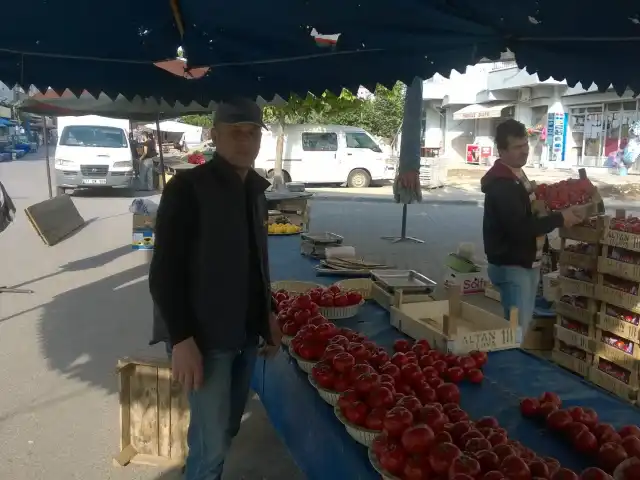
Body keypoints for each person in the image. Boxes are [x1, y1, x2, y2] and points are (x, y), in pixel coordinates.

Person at [148, 97, 281, 480]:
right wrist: (182, 339)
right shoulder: (188, 188)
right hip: (205, 339)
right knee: (211, 445)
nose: (245, 140)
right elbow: (164, 271)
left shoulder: (255, 190)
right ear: (214, 136)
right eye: (235, 132)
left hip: (243, 334)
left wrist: (268, 312)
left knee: (226, 430)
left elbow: (256, 262)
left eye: (252, 132)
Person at [481, 119, 585, 331]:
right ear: (501, 150)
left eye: (526, 145)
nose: (524, 151)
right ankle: (510, 363)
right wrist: (559, 218)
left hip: (524, 262)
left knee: (521, 326)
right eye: (517, 147)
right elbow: (520, 228)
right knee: (516, 331)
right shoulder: (503, 185)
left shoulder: (516, 175)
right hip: (512, 265)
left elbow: (527, 209)